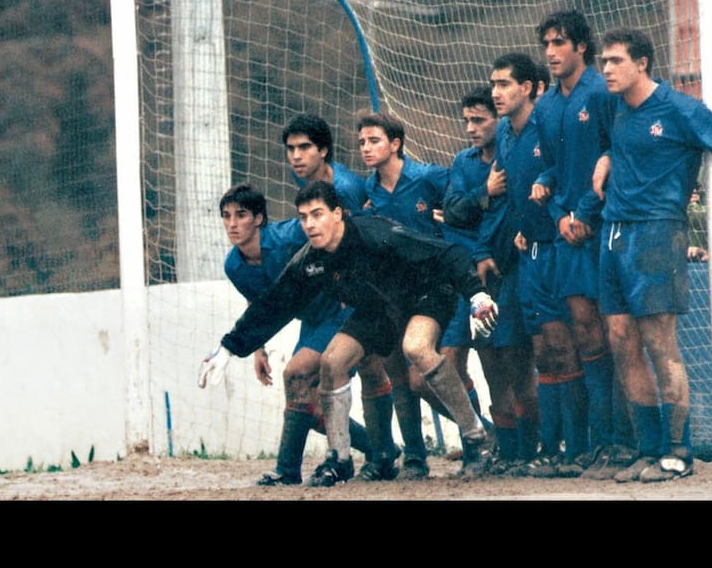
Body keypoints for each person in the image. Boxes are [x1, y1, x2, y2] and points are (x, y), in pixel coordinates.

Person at [202, 180, 499, 485]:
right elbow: (274, 304)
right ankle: (340, 459)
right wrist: (228, 348)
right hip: (379, 309)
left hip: (425, 294)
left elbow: (447, 253)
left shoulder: (374, 233)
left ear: (337, 214)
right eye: (303, 217)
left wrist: (477, 295)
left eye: (317, 214)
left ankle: (478, 440)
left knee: (416, 348)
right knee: (332, 361)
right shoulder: (311, 260)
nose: (309, 224)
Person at [576, 27, 712, 483]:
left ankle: (679, 452)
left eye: (615, 61)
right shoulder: (613, 108)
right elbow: (612, 145)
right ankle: (648, 448)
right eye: (604, 62)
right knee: (620, 339)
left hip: (658, 233)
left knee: (659, 341)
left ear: (642, 63)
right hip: (614, 233)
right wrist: (605, 158)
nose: (607, 70)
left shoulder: (680, 109)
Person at [216, 183, 385, 485]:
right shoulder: (233, 265)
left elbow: (333, 226)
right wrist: (258, 347)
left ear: (258, 219)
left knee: (296, 373)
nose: (232, 223)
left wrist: (362, 216)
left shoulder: (289, 234)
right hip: (312, 321)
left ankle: (288, 470)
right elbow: (259, 303)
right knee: (310, 399)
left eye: (240, 215)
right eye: (226, 216)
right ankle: (379, 449)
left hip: (342, 308)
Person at [534, 9, 637, 480]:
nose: (552, 52)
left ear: (581, 47)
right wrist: (554, 208)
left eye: (560, 43)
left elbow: (615, 155)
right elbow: (552, 169)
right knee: (584, 332)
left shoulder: (601, 92)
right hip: (567, 233)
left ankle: (629, 439)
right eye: (547, 44)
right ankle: (600, 442)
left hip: (603, 228)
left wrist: (584, 215)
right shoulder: (545, 106)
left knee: (618, 331)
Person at [274, 113, 402, 482]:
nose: (296, 156)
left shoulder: (345, 188)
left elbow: (367, 239)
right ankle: (359, 454)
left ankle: (375, 454)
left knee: (366, 367)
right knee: (315, 375)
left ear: (324, 150)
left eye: (304, 148)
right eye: (290, 149)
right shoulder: (305, 180)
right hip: (327, 296)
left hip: (358, 293)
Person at [356, 109, 481, 480]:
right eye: (361, 141)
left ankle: (480, 437)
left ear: (395, 144)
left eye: (374, 140)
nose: (365, 147)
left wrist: (458, 221)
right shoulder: (369, 189)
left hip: (436, 287)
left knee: (422, 372)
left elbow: (460, 210)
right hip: (395, 292)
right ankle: (414, 457)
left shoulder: (428, 177)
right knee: (396, 372)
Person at [478, 51, 578, 477]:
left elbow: (568, 175)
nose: (496, 92)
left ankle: (580, 446)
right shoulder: (503, 133)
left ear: (531, 88)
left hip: (563, 246)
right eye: (494, 84)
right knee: (540, 350)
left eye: (505, 84)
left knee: (568, 343)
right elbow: (514, 192)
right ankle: (550, 448)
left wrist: (552, 212)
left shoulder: (551, 125)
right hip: (529, 251)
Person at [437, 86, 535, 473]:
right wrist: (485, 193)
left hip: (514, 271)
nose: (471, 129)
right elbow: (453, 212)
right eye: (467, 121)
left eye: (479, 120)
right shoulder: (464, 163)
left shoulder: (514, 155)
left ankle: (532, 449)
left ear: (499, 120)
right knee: (490, 362)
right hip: (479, 280)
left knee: (519, 362)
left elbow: (515, 210)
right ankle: (506, 452)